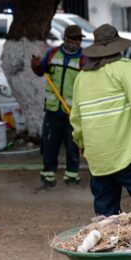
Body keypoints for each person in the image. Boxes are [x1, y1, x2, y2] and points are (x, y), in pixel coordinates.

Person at [70, 24, 131, 217]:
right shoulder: (126, 69)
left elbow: (76, 119)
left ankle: (108, 236)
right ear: (118, 47)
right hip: (129, 153)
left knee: (106, 217)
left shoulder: (82, 77)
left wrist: (81, 143)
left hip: (99, 157)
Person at [30, 25, 86, 190]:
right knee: (49, 145)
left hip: (73, 113)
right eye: (73, 38)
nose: (77, 42)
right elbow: (41, 71)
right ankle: (48, 178)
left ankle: (72, 178)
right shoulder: (53, 54)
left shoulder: (84, 59)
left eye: (79, 39)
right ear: (65, 39)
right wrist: (36, 66)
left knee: (72, 146)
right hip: (53, 110)